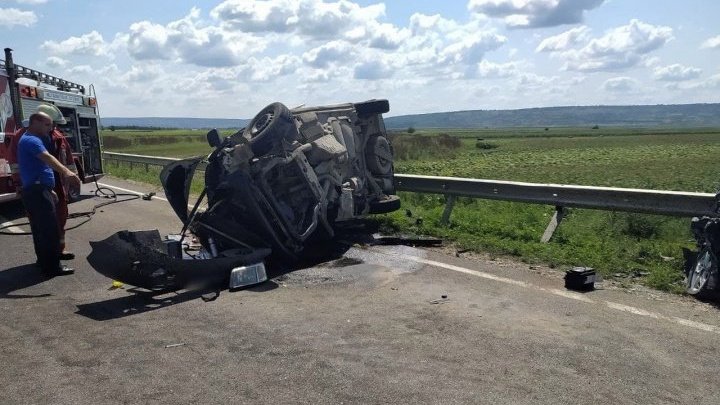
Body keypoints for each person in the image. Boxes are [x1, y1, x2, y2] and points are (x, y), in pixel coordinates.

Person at [17, 112, 81, 276]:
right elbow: (46, 158)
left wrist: (48, 189)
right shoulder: (31, 140)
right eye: (47, 125)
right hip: (37, 191)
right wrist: (67, 172)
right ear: (35, 122)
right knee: (50, 231)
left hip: (38, 189)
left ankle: (43, 262)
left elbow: (37, 168)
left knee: (40, 229)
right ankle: (53, 267)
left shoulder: (29, 139)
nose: (50, 128)